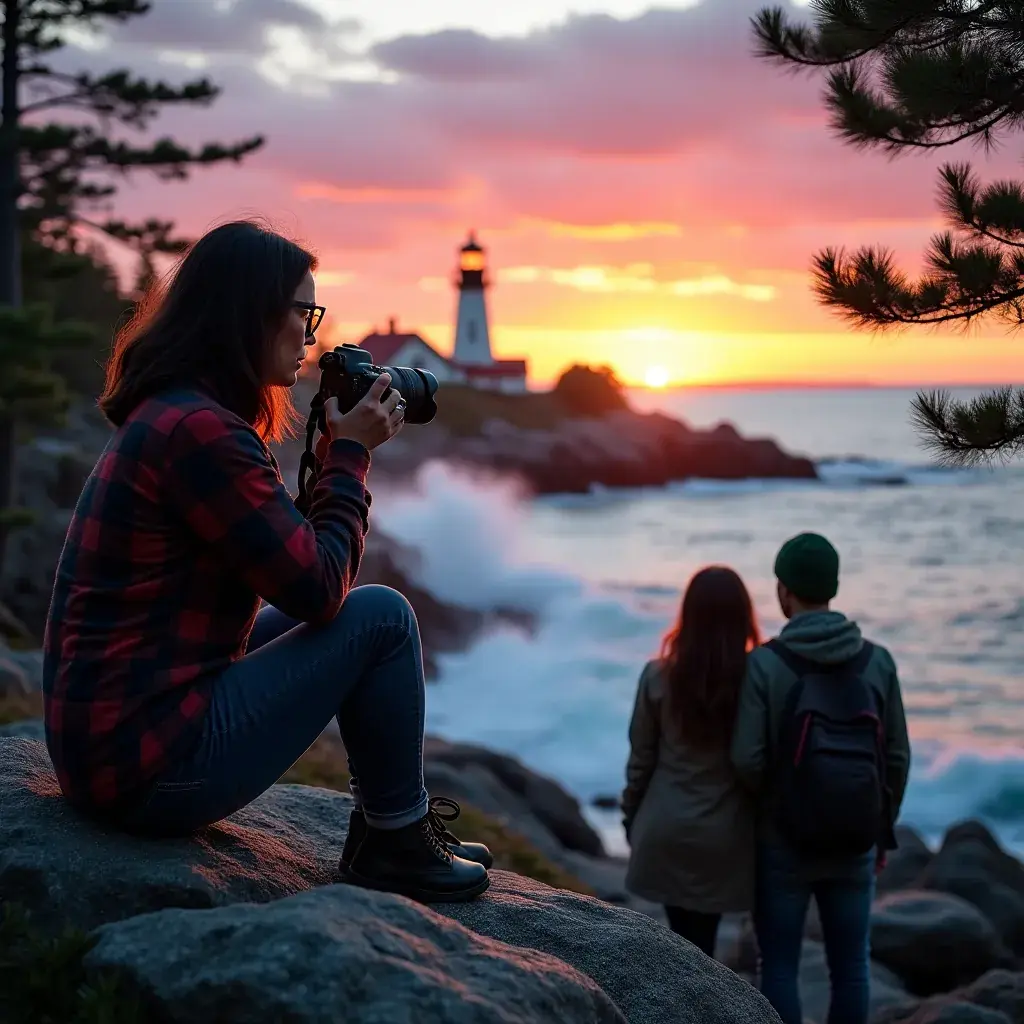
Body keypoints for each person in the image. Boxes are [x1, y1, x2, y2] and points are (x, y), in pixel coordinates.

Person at [41, 219, 492, 904]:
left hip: (110, 745)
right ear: (249, 313)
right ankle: (394, 840)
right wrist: (351, 455)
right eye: (302, 311)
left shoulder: (179, 415)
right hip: (149, 767)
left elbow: (286, 560)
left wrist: (329, 462)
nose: (312, 331)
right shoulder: (201, 434)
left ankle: (393, 828)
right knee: (382, 618)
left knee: (352, 616)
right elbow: (317, 589)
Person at [731, 532, 911, 1024]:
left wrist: (776, 806)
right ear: (831, 587)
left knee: (780, 968)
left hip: (781, 843)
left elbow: (746, 758)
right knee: (852, 969)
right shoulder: (878, 662)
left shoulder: (764, 665)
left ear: (784, 591)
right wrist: (880, 828)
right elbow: (896, 756)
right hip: (855, 841)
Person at [622, 565, 761, 958]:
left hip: (666, 829)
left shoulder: (657, 676)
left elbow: (640, 763)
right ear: (743, 616)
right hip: (724, 836)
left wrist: (631, 818)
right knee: (704, 946)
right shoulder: (755, 679)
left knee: (683, 943)